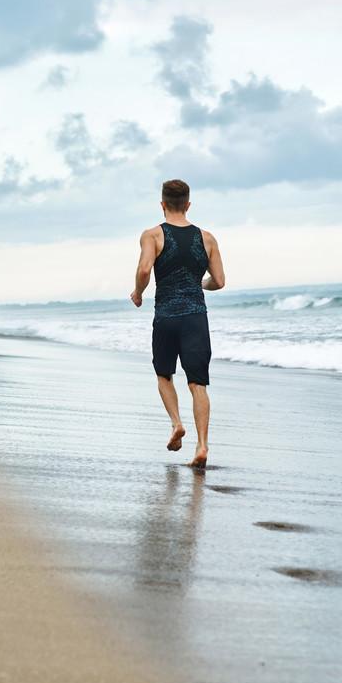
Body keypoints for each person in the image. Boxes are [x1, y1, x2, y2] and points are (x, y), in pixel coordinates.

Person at [130, 179, 225, 469]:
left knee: (164, 375)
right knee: (198, 383)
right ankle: (202, 445)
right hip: (196, 317)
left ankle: (176, 424)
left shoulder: (152, 235)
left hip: (166, 318)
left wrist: (138, 292)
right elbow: (219, 281)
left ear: (162, 204)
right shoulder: (207, 238)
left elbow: (145, 268)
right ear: (188, 205)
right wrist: (198, 284)